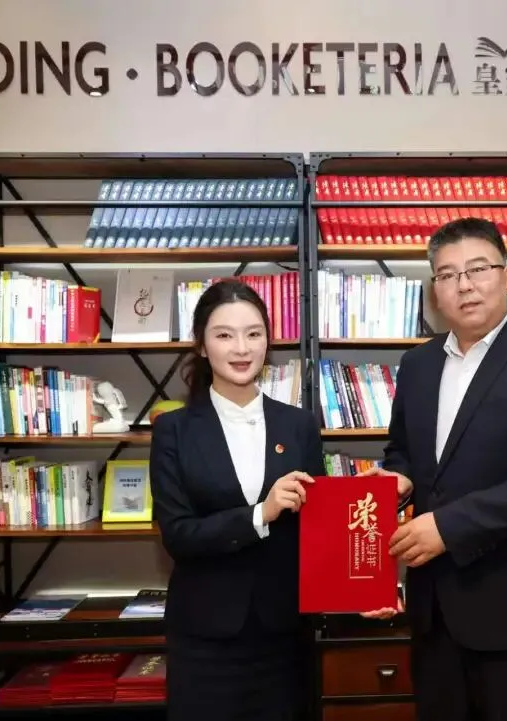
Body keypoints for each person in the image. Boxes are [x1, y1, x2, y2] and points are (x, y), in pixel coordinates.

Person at [360, 217, 507, 721]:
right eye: (447, 275)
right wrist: (397, 480)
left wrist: (447, 527)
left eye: (477, 269)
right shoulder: (418, 366)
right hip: (434, 618)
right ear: (435, 290)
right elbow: (404, 452)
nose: (463, 285)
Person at [150, 279, 325, 721]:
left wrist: (362, 588)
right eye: (224, 335)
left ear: (268, 341)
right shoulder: (173, 430)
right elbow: (178, 535)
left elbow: (319, 529)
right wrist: (261, 514)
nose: (241, 348)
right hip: (205, 637)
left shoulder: (299, 425)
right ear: (202, 346)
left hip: (284, 635)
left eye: (253, 333)